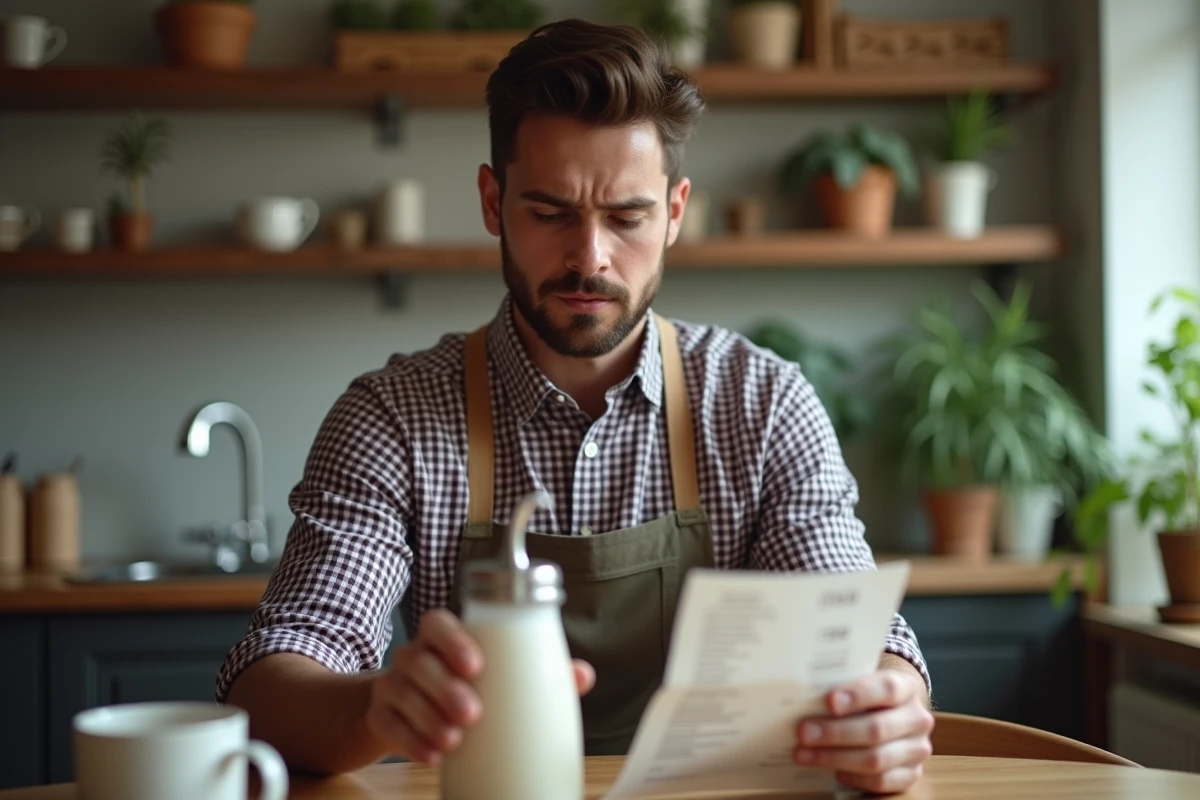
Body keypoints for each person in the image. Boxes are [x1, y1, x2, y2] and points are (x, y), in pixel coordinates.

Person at [216, 17, 934, 796]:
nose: (590, 256)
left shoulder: (761, 403)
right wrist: (380, 705)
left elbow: (860, 635)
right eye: (551, 212)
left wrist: (890, 700)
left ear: (675, 213)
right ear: (494, 202)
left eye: (627, 217)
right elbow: (273, 680)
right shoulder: (392, 418)